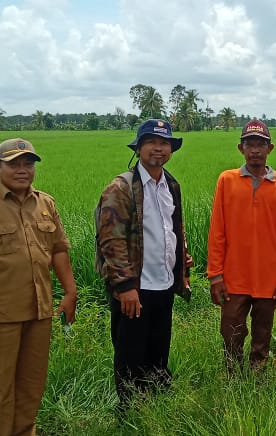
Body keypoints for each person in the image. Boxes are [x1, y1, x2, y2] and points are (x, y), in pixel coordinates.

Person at [0, 138, 78, 436]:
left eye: (28, 163)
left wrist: (70, 292)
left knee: (31, 388)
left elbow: (59, 250)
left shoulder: (45, 203)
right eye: (14, 164)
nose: (23, 170)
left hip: (39, 313)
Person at [96, 119, 192, 412]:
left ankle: (158, 408)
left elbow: (173, 229)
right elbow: (111, 241)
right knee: (130, 354)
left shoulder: (170, 185)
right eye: (151, 142)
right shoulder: (121, 188)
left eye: (164, 143)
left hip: (162, 283)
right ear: (138, 148)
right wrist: (125, 287)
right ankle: (130, 412)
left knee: (158, 350)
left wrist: (182, 267)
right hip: (135, 288)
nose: (158, 149)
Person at [206, 120, 276, 373]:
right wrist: (215, 275)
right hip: (234, 277)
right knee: (231, 332)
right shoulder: (227, 180)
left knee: (262, 335)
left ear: (270, 149)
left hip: (269, 278)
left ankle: (257, 379)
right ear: (241, 148)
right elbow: (217, 231)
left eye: (261, 145)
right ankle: (233, 378)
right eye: (250, 145)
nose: (255, 150)